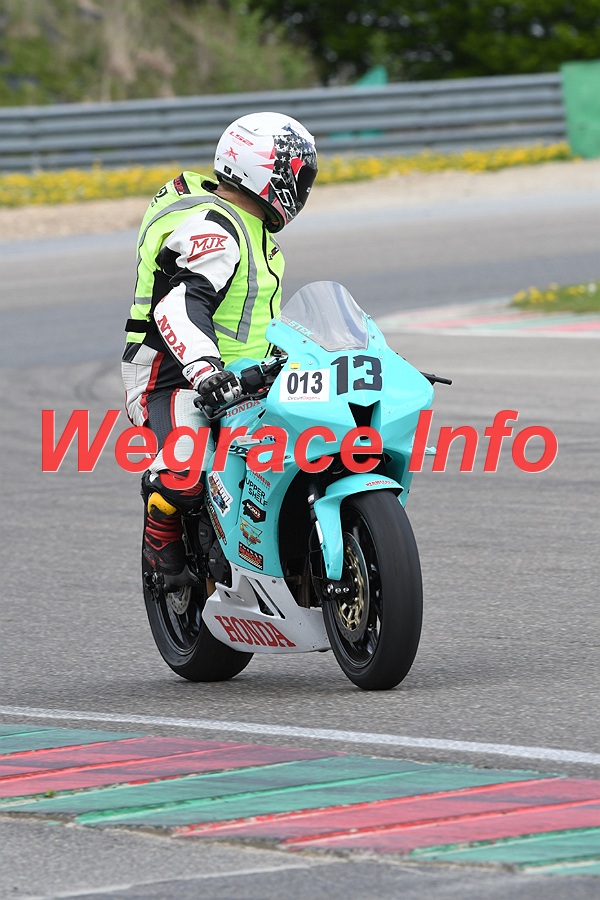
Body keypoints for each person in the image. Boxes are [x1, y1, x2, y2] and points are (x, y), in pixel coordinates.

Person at [121, 111, 318, 586]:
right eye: (299, 176)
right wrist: (207, 371)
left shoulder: (252, 230)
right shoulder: (218, 231)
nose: (304, 189)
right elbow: (178, 307)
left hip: (247, 376)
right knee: (186, 471)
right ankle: (160, 533)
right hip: (175, 377)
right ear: (268, 172)